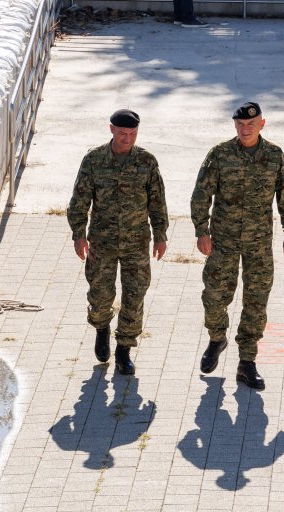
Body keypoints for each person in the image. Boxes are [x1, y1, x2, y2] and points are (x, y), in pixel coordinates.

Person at [191, 102, 284, 391]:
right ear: (234, 125)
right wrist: (201, 231)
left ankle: (247, 362)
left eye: (251, 124)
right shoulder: (220, 154)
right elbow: (202, 193)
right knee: (214, 295)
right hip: (223, 240)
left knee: (256, 301)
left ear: (262, 124)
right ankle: (217, 338)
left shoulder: (275, 156)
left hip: (258, 242)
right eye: (240, 124)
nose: (245, 129)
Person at [67, 109, 169, 375]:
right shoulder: (94, 160)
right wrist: (79, 234)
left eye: (133, 134)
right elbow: (80, 201)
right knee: (101, 294)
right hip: (102, 241)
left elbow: (157, 201)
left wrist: (160, 235)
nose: (128, 139)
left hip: (137, 242)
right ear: (111, 129)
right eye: (123, 133)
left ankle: (124, 348)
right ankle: (102, 329)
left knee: (135, 295)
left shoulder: (146, 161)